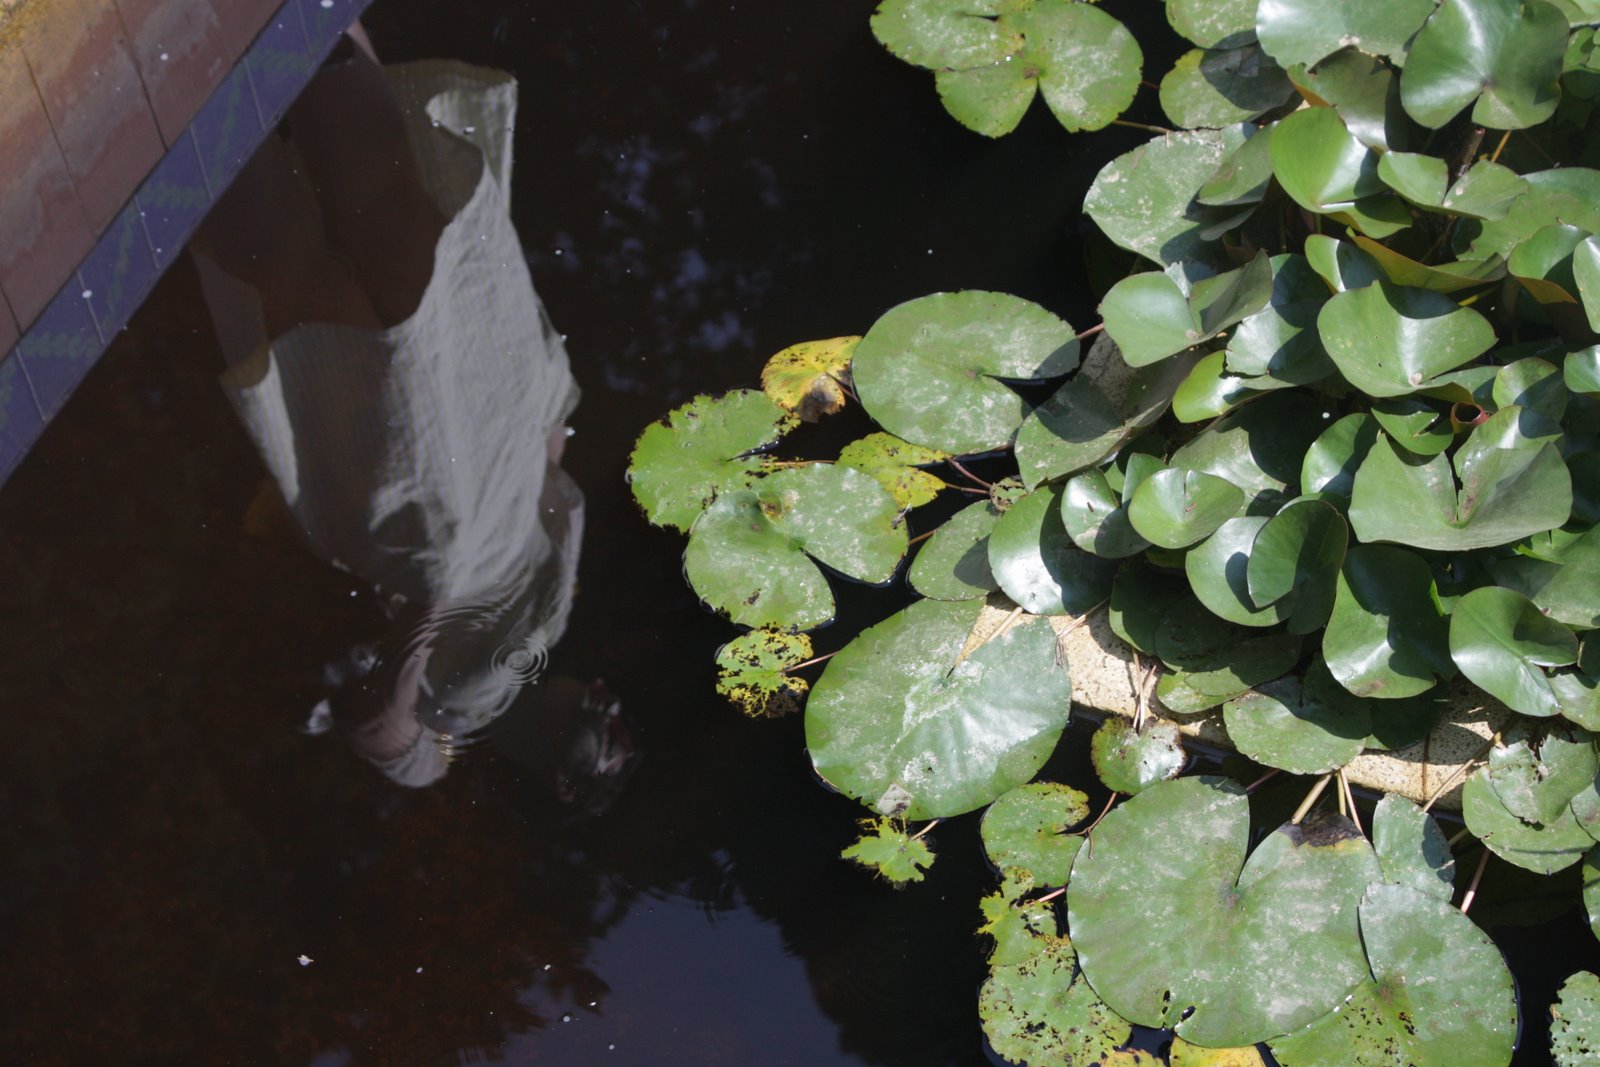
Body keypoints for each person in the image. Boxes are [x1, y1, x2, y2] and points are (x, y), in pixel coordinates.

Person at [192, 26, 632, 797]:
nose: (611, 701)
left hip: (426, 527)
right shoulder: (548, 630)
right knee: (407, 237)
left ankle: (176, 99)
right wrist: (534, 384)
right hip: (494, 446)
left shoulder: (441, 744)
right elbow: (554, 482)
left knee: (318, 299)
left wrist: (423, 618)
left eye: (611, 735)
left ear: (564, 781)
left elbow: (375, 724)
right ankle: (304, 26)